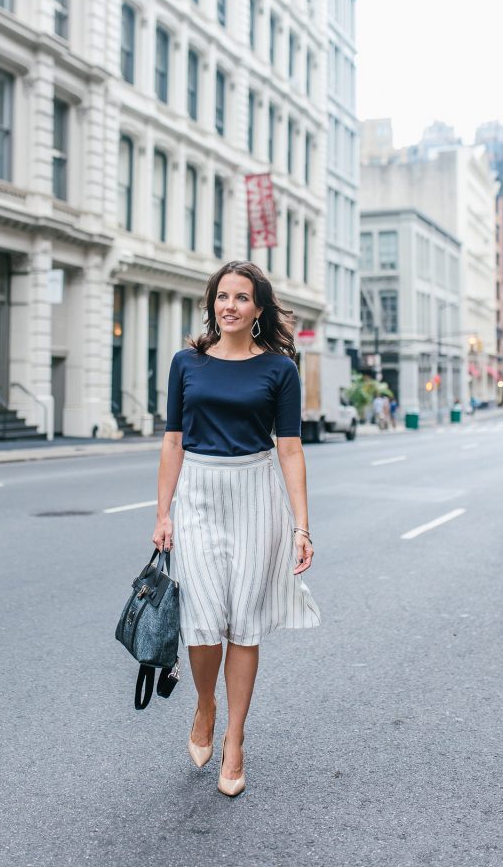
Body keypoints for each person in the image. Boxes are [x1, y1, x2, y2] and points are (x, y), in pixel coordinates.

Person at [153, 260, 321, 798]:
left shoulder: (279, 369)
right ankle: (205, 704)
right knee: (201, 622)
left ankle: (235, 738)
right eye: (222, 296)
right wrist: (162, 513)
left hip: (255, 493)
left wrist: (302, 526)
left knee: (242, 622)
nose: (229, 305)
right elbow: (172, 442)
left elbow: (290, 450)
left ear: (258, 308)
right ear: (212, 304)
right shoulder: (187, 363)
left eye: (241, 297)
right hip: (197, 492)